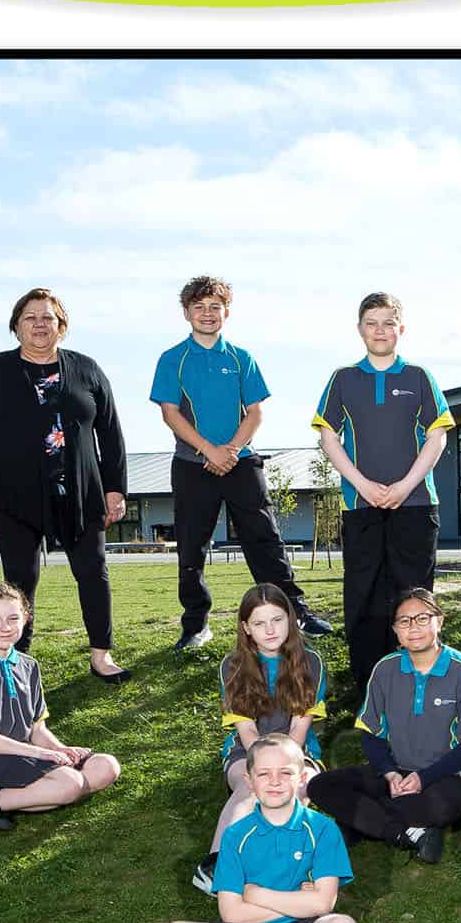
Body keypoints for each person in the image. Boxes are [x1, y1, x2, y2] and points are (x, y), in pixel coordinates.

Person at [0, 287, 130, 681]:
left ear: (61, 327)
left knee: (93, 571)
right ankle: (15, 659)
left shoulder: (88, 370)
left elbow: (112, 434)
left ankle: (101, 655)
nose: (39, 324)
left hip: (81, 494)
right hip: (16, 494)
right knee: (19, 580)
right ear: (16, 326)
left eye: (48, 317)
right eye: (30, 317)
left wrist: (115, 489)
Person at [151, 273, 329, 654]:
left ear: (226, 312)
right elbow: (170, 414)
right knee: (191, 548)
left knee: (266, 542)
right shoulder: (172, 359)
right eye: (199, 308)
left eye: (215, 307)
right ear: (186, 313)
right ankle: (196, 625)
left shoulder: (241, 358)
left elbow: (255, 413)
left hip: (241, 462)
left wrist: (229, 449)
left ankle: (294, 614)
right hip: (192, 465)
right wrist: (208, 451)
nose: (207, 314)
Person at [313, 292, 453, 697]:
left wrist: (406, 485)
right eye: (371, 322)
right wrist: (361, 484)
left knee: (413, 595)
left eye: (388, 323)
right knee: (364, 595)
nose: (380, 330)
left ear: (401, 329)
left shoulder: (419, 377)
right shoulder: (343, 379)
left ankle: (417, 678)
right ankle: (369, 686)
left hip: (415, 504)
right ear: (360, 330)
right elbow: (328, 436)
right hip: (361, 506)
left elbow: (438, 436)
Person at [0, 582, 123, 855]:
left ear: (26, 618)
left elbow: (36, 728)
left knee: (106, 766)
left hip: (27, 757)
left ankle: (3, 803)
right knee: (70, 785)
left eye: (13, 618)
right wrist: (43, 755)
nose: (5, 627)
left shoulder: (29, 666)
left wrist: (61, 751)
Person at [160, 735, 357, 923]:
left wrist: (255, 894)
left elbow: (322, 905)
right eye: (264, 774)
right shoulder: (234, 835)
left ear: (301, 779)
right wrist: (300, 900)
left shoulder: (322, 829)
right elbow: (231, 913)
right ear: (249, 781)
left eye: (285, 773)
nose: (274, 782)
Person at [305, 585, 461, 861]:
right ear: (395, 630)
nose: (413, 627)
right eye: (404, 621)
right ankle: (404, 833)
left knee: (437, 807)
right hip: (396, 775)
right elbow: (372, 734)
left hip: (450, 778)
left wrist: (423, 777)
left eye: (423, 618)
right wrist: (390, 772)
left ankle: (357, 824)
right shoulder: (385, 669)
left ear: (439, 621)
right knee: (320, 786)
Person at [191, 585, 327, 896]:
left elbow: (299, 729)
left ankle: (272, 868)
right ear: (246, 628)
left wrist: (283, 768)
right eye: (259, 623)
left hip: (298, 750)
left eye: (277, 620)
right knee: (251, 786)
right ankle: (215, 865)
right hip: (246, 750)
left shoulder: (312, 662)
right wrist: (265, 768)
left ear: (290, 620)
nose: (270, 630)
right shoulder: (232, 665)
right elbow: (247, 732)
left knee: (297, 789)